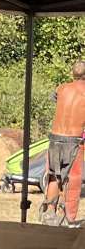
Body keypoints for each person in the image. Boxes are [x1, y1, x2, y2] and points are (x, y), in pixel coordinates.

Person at [41, 60, 85, 226]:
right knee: (72, 180)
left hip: (54, 138)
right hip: (73, 140)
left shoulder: (62, 89)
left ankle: (49, 211)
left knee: (54, 175)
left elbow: (58, 99)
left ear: (72, 74)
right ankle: (67, 216)